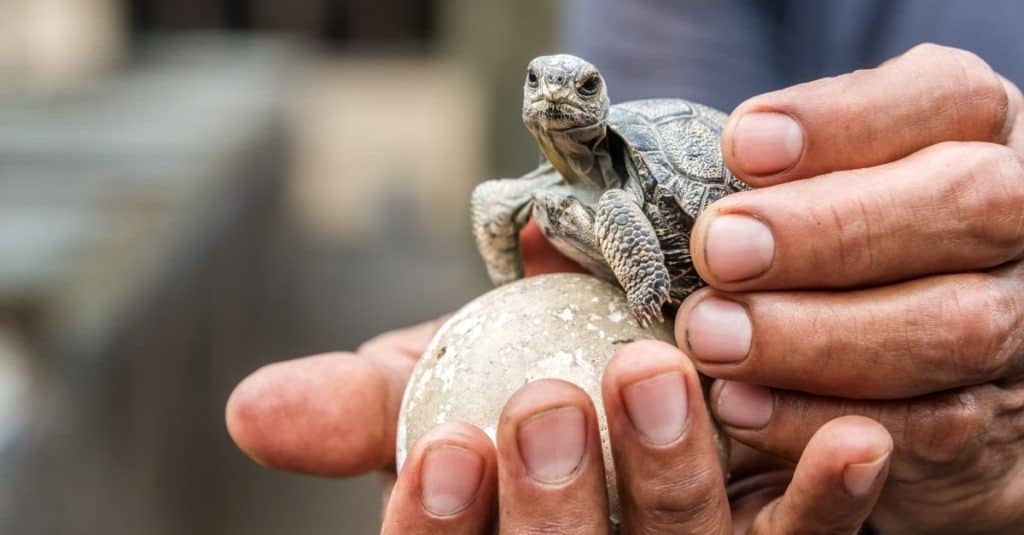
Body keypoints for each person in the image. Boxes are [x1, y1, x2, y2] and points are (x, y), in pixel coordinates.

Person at [226, 1, 1024, 532]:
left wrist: (650, 305)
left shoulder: (616, 195)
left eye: (581, 88)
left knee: (610, 216)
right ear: (527, 96)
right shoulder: (537, 194)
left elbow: (626, 214)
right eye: (542, 84)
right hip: (721, 372)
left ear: (600, 101)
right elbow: (499, 210)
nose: (559, 98)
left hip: (753, 297)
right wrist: (510, 311)